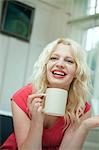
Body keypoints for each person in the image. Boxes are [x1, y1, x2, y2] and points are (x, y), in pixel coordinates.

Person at [3, 38, 99, 150]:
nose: (60, 64)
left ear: (77, 72)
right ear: (45, 66)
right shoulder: (23, 97)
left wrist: (84, 127)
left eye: (69, 61)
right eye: (54, 58)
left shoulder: (81, 109)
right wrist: (37, 121)